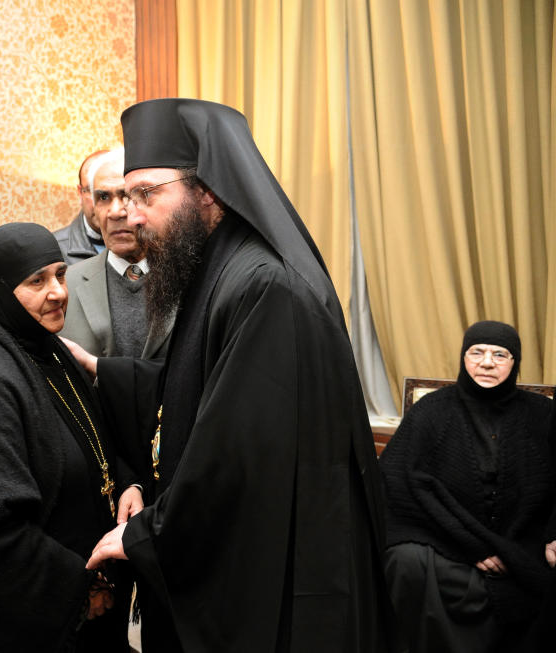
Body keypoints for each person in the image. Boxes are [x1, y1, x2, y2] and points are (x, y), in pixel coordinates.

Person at [76, 99, 397, 652]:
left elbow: (236, 452)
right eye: (127, 196)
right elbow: (197, 385)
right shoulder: (216, 266)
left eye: (147, 193)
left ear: (209, 189)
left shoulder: (263, 285)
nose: (131, 214)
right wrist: (105, 371)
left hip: (284, 568)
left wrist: (148, 534)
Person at [0, 222, 142, 652]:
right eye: (36, 281)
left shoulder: (48, 349)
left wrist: (129, 482)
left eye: (59, 274)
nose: (57, 291)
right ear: (1, 290)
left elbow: (97, 441)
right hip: (31, 622)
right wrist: (80, 587)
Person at [379, 320, 556, 652]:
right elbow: (401, 485)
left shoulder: (543, 413)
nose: (487, 363)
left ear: (515, 362)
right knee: (404, 562)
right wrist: (471, 547)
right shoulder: (431, 411)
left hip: (521, 540)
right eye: (477, 352)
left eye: (500, 355)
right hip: (448, 540)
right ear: (463, 357)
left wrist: (553, 534)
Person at [60, 147, 170, 360]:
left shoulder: (186, 275)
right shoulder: (66, 286)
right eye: (103, 197)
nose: (115, 212)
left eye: (127, 196)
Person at [54, 149, 109, 264]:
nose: (103, 202)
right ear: (80, 193)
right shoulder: (55, 249)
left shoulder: (148, 242)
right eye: (91, 190)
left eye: (120, 192)